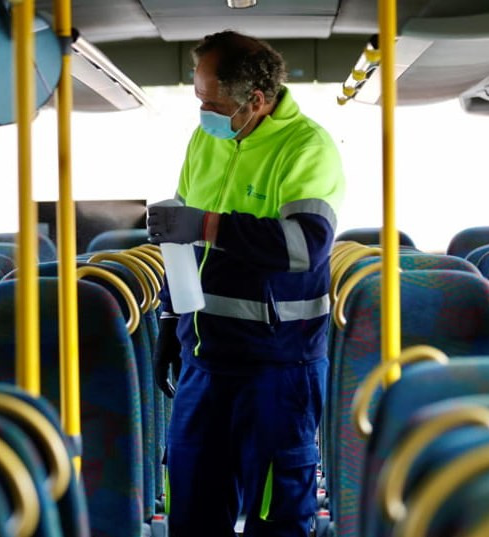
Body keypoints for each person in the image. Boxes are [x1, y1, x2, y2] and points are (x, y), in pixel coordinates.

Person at [146, 31, 346, 537]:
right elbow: (183, 243)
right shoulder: (204, 140)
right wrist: (170, 319)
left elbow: (305, 245)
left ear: (255, 101)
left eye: (211, 103)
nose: (202, 113)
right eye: (199, 99)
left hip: (277, 367)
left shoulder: (307, 147)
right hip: (204, 358)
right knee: (190, 509)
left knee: (274, 518)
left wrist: (209, 224)